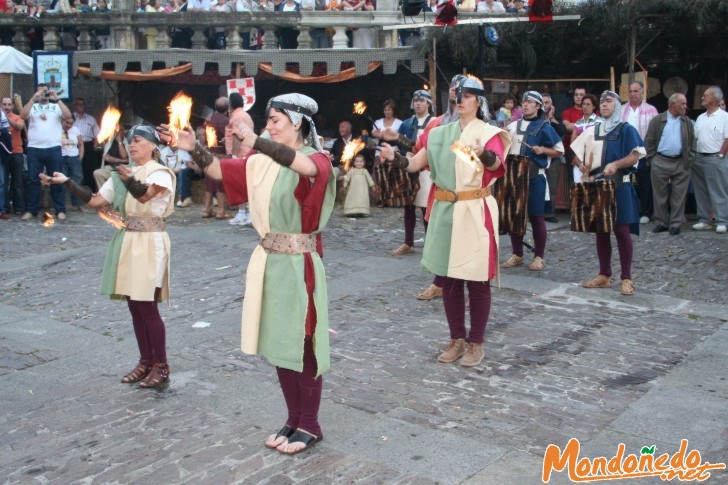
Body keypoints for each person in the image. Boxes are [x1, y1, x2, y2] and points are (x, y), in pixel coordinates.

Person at [172, 93, 335, 454]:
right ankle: (293, 418)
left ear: (297, 122)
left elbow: (305, 170)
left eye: (276, 120)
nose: (269, 126)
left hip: (299, 263)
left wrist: (254, 140)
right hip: (268, 261)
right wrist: (194, 147)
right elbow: (218, 170)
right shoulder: (261, 161)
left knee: (304, 342)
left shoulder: (317, 159)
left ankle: (310, 424)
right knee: (278, 343)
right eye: (268, 120)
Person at [379, 76, 510, 367]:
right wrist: (394, 157)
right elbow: (415, 163)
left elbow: (498, 167)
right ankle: (456, 339)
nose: (460, 99)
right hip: (446, 208)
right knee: (449, 279)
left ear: (478, 100)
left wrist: (483, 154)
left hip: (475, 208)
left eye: (466, 95)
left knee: (476, 280)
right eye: (457, 95)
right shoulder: (439, 132)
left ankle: (476, 343)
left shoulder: (488, 133)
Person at [43, 125, 176, 389]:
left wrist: (128, 179)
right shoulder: (123, 174)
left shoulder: (160, 173)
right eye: (129, 142)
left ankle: (161, 365)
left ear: (152, 145)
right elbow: (94, 202)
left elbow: (145, 194)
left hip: (151, 241)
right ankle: (145, 361)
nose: (132, 145)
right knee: (134, 305)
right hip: (127, 240)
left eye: (138, 140)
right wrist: (66, 181)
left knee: (147, 305)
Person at [571, 90, 645, 296]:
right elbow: (575, 154)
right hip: (597, 188)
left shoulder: (625, 129)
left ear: (617, 106)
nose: (604, 104)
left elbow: (636, 155)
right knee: (601, 231)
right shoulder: (592, 130)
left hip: (619, 186)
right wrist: (582, 164)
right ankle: (604, 274)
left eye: (609, 101)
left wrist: (616, 164)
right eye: (602, 101)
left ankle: (627, 278)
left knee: (621, 232)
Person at [501, 91, 564, 271]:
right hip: (514, 178)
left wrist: (543, 149)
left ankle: (539, 256)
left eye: (530, 102)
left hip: (534, 176)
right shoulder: (512, 126)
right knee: (515, 216)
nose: (526, 105)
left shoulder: (545, 126)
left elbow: (559, 150)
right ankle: (517, 253)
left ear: (538, 106)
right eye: (524, 101)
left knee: (537, 217)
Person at [643, 93, 695, 236]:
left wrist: (689, 159)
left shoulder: (687, 122)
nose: (686, 106)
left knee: (679, 195)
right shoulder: (657, 120)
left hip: (680, 161)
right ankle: (661, 222)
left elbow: (692, 143)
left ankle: (676, 224)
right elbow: (649, 141)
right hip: (660, 160)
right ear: (673, 105)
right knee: (660, 194)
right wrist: (653, 159)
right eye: (683, 103)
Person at [388, 90, 433, 256]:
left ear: (428, 103)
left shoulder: (434, 123)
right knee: (408, 205)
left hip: (427, 169)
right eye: (415, 100)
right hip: (409, 167)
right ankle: (408, 242)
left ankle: (431, 243)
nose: (418, 103)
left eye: (421, 100)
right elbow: (400, 144)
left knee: (426, 207)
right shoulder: (406, 123)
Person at [19, 84, 72, 222]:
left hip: (53, 147)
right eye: (40, 91)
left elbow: (68, 116)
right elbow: (22, 115)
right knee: (33, 180)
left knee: (56, 179)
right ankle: (32, 210)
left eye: (45, 91)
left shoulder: (55, 107)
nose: (43, 94)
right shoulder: (33, 106)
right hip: (34, 148)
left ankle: (60, 210)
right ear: (36, 92)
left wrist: (57, 99)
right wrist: (32, 99)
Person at [692, 86, 728, 234]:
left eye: (705, 95)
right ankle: (704, 220)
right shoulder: (701, 117)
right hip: (699, 157)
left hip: (715, 157)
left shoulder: (724, 116)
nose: (702, 98)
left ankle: (722, 221)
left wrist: (720, 154)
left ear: (714, 98)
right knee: (700, 191)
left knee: (718, 190)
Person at [621, 81, 658, 225]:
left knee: (645, 183)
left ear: (642, 92)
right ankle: (628, 210)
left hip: (644, 152)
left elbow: (655, 133)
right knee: (626, 182)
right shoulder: (622, 110)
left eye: (636, 91)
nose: (633, 94)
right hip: (626, 152)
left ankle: (645, 212)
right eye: (630, 91)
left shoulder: (651, 110)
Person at [225, 92, 256, 227]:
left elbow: (238, 136)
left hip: (241, 155)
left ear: (231, 104)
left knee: (240, 185)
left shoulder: (237, 116)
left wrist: (234, 155)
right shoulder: (244, 114)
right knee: (245, 185)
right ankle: (246, 213)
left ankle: (243, 213)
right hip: (247, 153)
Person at [541, 93, 565, 223]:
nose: (545, 106)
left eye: (547, 103)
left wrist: (550, 118)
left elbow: (560, 131)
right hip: (539, 156)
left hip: (554, 156)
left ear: (552, 105)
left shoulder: (557, 119)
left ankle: (550, 212)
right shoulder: (535, 119)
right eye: (542, 103)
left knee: (552, 185)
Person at [2, 97, 27, 216]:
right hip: (3, 153)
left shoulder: (18, 117)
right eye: (4, 104)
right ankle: (4, 207)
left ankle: (19, 207)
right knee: (3, 182)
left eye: (9, 104)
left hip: (16, 152)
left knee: (18, 182)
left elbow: (19, 127)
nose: (6, 107)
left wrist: (6, 118)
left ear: (12, 106)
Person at [570, 93, 601, 183]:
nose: (585, 106)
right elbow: (573, 142)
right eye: (583, 104)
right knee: (578, 189)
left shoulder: (599, 121)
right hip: (579, 159)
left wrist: (580, 137)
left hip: (594, 160)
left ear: (594, 106)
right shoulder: (578, 122)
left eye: (588, 104)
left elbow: (596, 141)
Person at [71, 98, 100, 192]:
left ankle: (90, 191)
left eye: (82, 104)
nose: (81, 106)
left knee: (89, 169)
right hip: (74, 145)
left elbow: (97, 135)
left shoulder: (91, 118)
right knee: (76, 169)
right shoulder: (71, 118)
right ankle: (77, 191)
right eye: (78, 104)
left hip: (88, 145)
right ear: (75, 105)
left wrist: (94, 146)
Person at [60, 115, 85, 212]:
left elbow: (81, 144)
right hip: (61, 157)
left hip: (74, 157)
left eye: (71, 123)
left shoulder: (75, 130)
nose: (69, 125)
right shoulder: (57, 129)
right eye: (67, 123)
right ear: (63, 120)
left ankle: (78, 204)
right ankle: (61, 205)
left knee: (77, 180)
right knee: (61, 181)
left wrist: (80, 157)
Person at [94, 126, 130, 190]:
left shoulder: (127, 142)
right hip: (112, 167)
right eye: (116, 130)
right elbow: (108, 158)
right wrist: (124, 161)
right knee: (97, 173)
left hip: (125, 169)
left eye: (120, 130)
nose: (117, 133)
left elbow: (124, 155)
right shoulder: (110, 142)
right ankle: (103, 193)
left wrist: (119, 142)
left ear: (123, 131)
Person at [341, 152, 375, 217]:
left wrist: (372, 185)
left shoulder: (364, 171)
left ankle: (362, 210)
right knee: (353, 198)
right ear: (354, 163)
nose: (359, 163)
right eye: (357, 161)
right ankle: (351, 210)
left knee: (362, 199)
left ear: (364, 163)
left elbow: (369, 179)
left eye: (361, 161)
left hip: (362, 190)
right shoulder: (352, 170)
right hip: (353, 189)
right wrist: (343, 178)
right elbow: (347, 176)